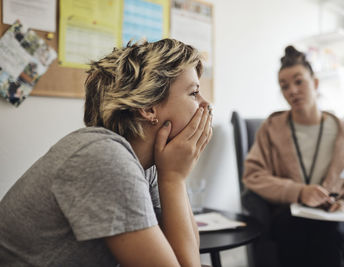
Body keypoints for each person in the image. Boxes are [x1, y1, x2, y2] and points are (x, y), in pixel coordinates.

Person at [0, 38, 213, 266]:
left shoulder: (145, 166)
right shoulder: (103, 156)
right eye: (194, 93)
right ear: (149, 108)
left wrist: (172, 176)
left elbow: (183, 254)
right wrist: (173, 179)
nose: (205, 104)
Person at [242, 45, 344, 267]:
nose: (292, 91)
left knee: (327, 232)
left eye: (298, 81)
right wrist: (299, 192)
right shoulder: (271, 128)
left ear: (315, 83)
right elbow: (253, 175)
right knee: (295, 229)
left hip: (339, 217)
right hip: (292, 215)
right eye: (284, 87)